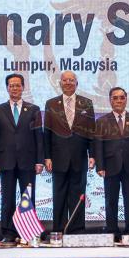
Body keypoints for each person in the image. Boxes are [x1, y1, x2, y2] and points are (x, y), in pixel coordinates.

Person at [0, 73, 44, 243]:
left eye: (18, 85)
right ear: (7, 88)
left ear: (23, 87)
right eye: (11, 85)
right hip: (5, 161)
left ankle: (28, 232)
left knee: (27, 198)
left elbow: (39, 137)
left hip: (28, 161)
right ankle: (8, 233)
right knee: (7, 199)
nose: (14, 88)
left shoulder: (34, 109)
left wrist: (40, 160)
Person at [43, 71, 95, 234]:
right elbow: (47, 132)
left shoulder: (87, 103)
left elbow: (91, 131)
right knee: (59, 195)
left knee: (78, 196)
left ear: (76, 83)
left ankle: (76, 231)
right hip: (58, 158)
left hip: (80, 157)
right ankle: (59, 230)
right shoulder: (51, 103)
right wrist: (47, 156)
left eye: (71, 80)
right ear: (60, 83)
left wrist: (92, 155)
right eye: (65, 80)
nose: (68, 83)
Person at [95, 87, 129, 240]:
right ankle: (112, 231)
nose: (119, 101)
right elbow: (98, 145)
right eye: (115, 98)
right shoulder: (102, 121)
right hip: (110, 166)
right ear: (110, 100)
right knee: (111, 201)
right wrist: (100, 166)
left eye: (122, 97)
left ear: (126, 99)